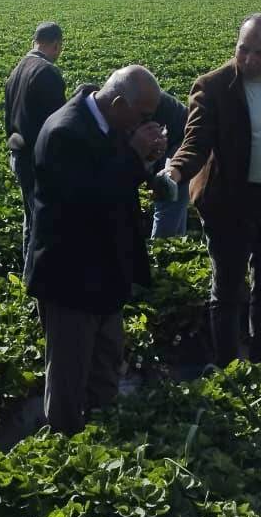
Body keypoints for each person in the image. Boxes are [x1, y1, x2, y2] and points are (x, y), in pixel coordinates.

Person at [25, 66, 166, 435]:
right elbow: (88, 203)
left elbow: (118, 182)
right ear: (118, 104)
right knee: (69, 382)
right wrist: (134, 156)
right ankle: (66, 451)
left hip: (106, 274)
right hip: (71, 280)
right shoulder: (65, 133)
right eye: (142, 116)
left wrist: (146, 160)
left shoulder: (111, 123)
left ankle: (104, 443)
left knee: (105, 370)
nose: (144, 123)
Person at [161, 14, 261, 366]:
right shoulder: (213, 87)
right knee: (228, 289)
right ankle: (228, 367)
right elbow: (195, 142)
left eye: (260, 53)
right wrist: (175, 172)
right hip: (230, 202)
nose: (249, 59)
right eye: (243, 49)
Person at [3, 22, 65, 261]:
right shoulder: (46, 72)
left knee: (31, 218)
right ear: (56, 45)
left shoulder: (17, 70)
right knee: (42, 222)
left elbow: (8, 118)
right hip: (37, 159)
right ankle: (36, 276)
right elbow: (57, 125)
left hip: (18, 154)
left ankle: (28, 273)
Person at [150, 88, 189, 239]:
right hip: (174, 137)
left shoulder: (137, 101)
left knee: (168, 193)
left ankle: (163, 245)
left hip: (182, 139)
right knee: (176, 201)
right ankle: (176, 241)